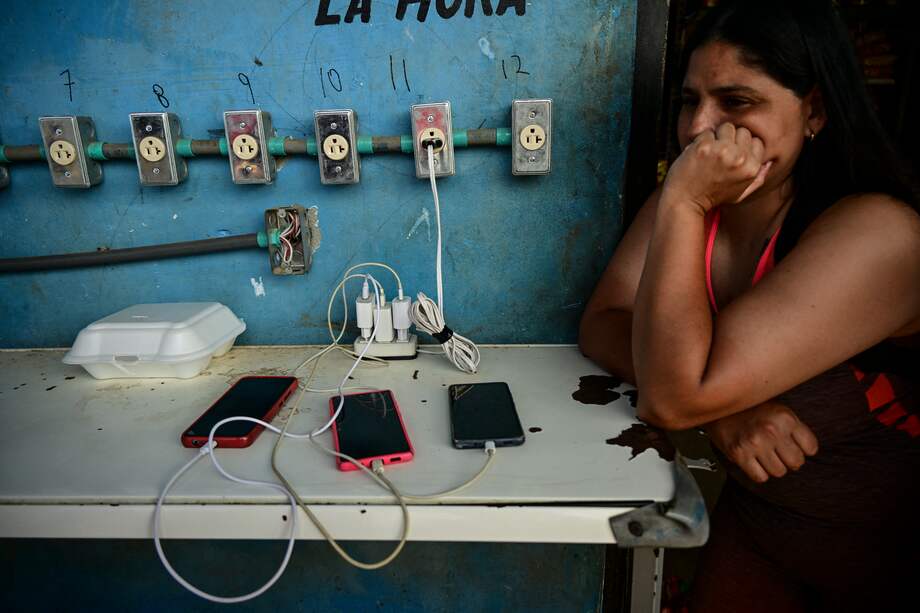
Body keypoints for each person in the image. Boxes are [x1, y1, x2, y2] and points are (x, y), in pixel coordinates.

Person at [578, 1, 920, 610]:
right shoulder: (697, 199)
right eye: (689, 101)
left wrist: (683, 203)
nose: (698, 129)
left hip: (879, 555)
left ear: (812, 109)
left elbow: (672, 395)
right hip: (764, 533)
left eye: (736, 102)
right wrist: (722, 414)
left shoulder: (881, 233)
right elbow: (604, 323)